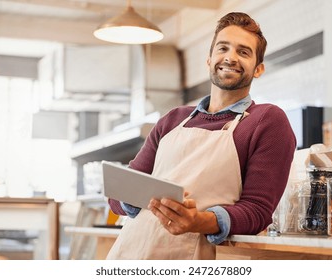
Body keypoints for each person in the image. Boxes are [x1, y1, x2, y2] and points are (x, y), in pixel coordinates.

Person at [106, 12, 296, 260]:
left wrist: (199, 221)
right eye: (223, 48)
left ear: (258, 69)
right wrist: (136, 198)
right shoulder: (173, 119)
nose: (230, 57)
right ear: (209, 60)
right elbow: (119, 193)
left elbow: (257, 211)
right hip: (131, 252)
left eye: (243, 52)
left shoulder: (267, 121)